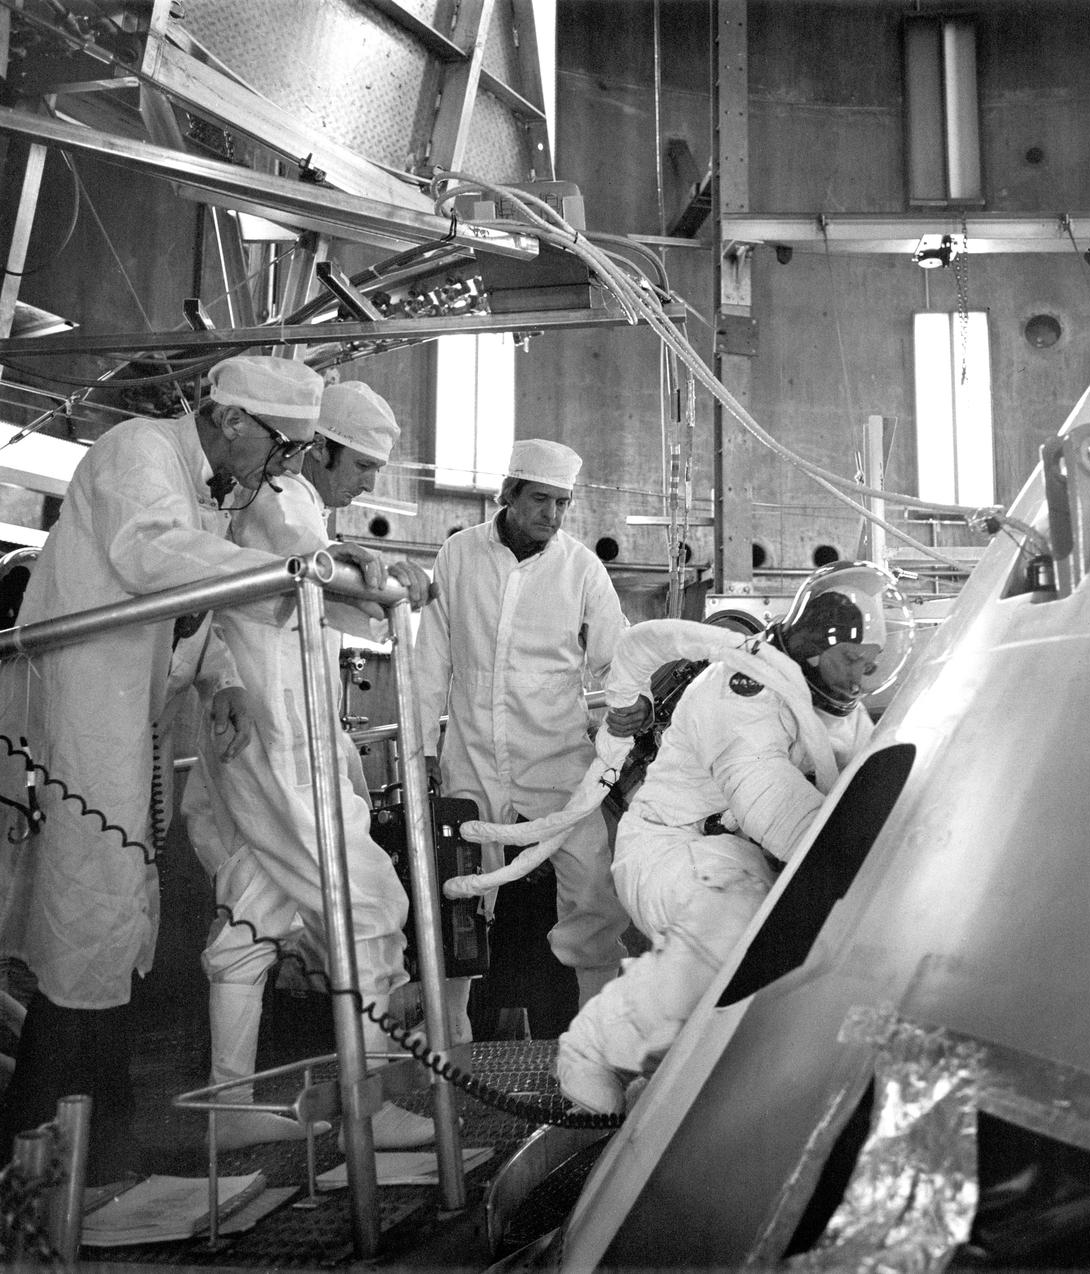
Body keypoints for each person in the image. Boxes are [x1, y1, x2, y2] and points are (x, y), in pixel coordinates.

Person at [0, 354, 356, 1179]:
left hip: (138, 713)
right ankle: (56, 1146)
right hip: (83, 706)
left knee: (118, 911)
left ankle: (96, 1132)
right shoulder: (139, 450)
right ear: (231, 419)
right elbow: (151, 556)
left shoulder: (214, 488)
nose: (285, 469)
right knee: (89, 908)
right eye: (285, 446)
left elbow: (191, 618)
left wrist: (224, 682)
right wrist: (295, 574)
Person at [555, 562, 914, 1114]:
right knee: (736, 919)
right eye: (851, 661)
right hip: (675, 849)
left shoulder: (835, 705)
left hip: (745, 856)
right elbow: (770, 801)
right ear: (815, 647)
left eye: (869, 666)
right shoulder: (743, 689)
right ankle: (594, 1048)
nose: (859, 679)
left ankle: (669, 1082)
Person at [181, 379, 438, 1150]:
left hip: (277, 738)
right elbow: (324, 571)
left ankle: (226, 1110)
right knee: (371, 906)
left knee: (253, 915)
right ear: (317, 447)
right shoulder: (286, 495)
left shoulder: (281, 503)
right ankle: (375, 1108)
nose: (367, 483)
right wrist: (391, 577)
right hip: (280, 744)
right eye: (359, 464)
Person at [414, 439, 633, 1039]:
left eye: (563, 503)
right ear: (508, 494)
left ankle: (596, 1046)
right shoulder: (459, 555)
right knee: (457, 899)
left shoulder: (581, 568)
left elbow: (619, 661)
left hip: (558, 764)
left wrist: (628, 721)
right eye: (541, 500)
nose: (553, 516)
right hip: (473, 762)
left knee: (592, 891)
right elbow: (430, 659)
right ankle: (452, 1049)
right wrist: (419, 755)